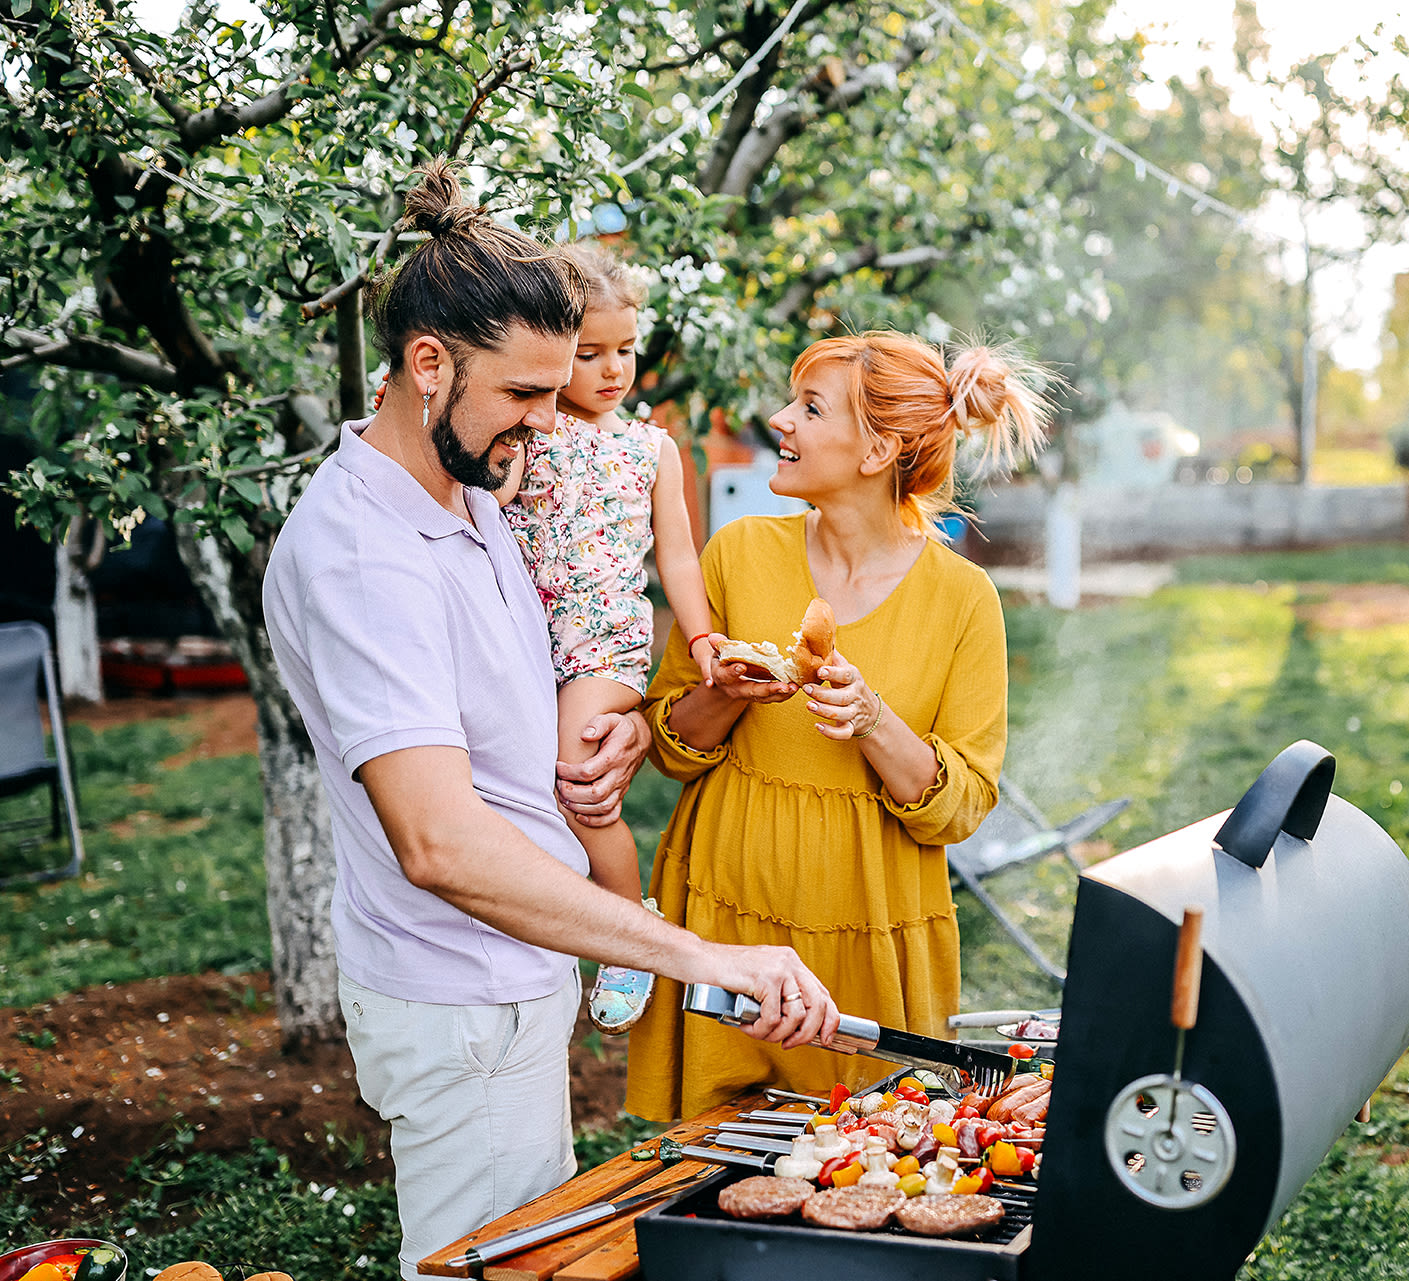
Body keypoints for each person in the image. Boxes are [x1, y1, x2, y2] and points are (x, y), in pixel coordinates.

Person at [262, 160, 837, 1280]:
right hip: (460, 998)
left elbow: (518, 671)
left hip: (522, 976)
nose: (549, 420)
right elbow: (436, 843)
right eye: (525, 395)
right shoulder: (363, 558)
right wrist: (694, 954)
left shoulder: (469, 481)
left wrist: (606, 729)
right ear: (428, 365)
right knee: (488, 1271)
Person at [624, 331, 1048, 1121]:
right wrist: (728, 690)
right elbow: (670, 748)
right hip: (724, 911)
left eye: (810, 407)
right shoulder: (740, 552)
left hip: (870, 931)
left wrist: (872, 718)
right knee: (713, 1174)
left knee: (867, 1162)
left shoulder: (962, 599)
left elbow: (960, 805)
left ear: (878, 448)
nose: (780, 419)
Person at [495, 240, 716, 1034]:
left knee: (578, 779)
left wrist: (700, 642)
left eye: (625, 349)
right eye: (590, 353)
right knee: (519, 788)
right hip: (520, 637)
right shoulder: (527, 431)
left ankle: (630, 930)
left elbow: (679, 555)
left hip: (600, 643)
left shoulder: (649, 448)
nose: (613, 368)